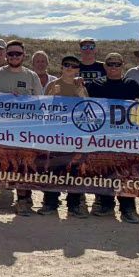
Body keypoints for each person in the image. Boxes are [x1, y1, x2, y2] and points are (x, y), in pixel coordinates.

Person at [0, 40, 44, 215]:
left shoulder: (32, 76)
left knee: (22, 165)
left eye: (17, 54)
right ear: (6, 55)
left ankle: (24, 198)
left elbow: (41, 102)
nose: (13, 57)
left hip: (22, 132)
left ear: (23, 55)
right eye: (10, 54)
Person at [86, 52, 139, 223]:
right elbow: (83, 104)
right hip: (102, 137)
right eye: (110, 64)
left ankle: (128, 208)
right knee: (104, 171)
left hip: (125, 138)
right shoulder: (95, 85)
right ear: (105, 66)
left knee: (126, 173)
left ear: (123, 65)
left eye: (117, 64)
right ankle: (106, 205)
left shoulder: (131, 84)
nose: (113, 67)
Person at [40, 55, 90, 217]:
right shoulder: (52, 85)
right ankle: (50, 203)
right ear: (61, 67)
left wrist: (82, 94)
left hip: (75, 136)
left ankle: (74, 205)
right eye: (66, 64)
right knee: (53, 169)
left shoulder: (80, 86)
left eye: (74, 66)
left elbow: (88, 110)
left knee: (75, 170)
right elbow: (43, 110)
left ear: (78, 70)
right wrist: (51, 96)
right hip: (56, 136)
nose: (69, 68)